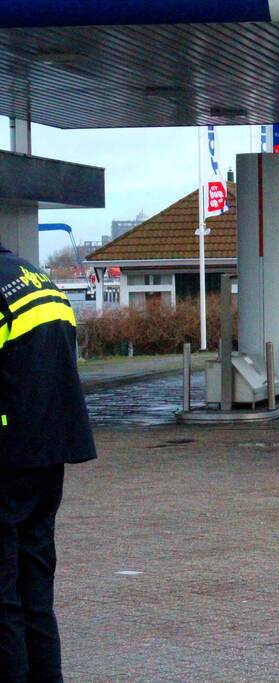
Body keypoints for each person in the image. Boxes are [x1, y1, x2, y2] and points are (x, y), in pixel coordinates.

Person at [0, 242, 96, 682]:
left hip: (6, 458)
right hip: (49, 455)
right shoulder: (39, 281)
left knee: (2, 598)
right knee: (35, 589)